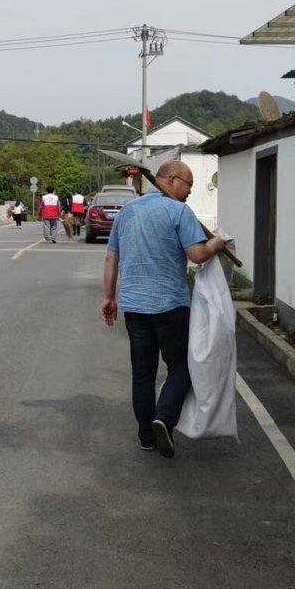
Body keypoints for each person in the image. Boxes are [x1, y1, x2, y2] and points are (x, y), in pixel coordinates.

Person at [101, 159, 225, 458]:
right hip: (170, 306)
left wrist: (109, 297)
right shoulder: (179, 211)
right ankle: (165, 417)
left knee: (142, 375)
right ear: (171, 180)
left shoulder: (128, 211)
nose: (190, 192)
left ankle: (146, 436)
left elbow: (110, 258)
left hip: (134, 307)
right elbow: (197, 254)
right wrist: (216, 245)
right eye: (189, 184)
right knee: (181, 366)